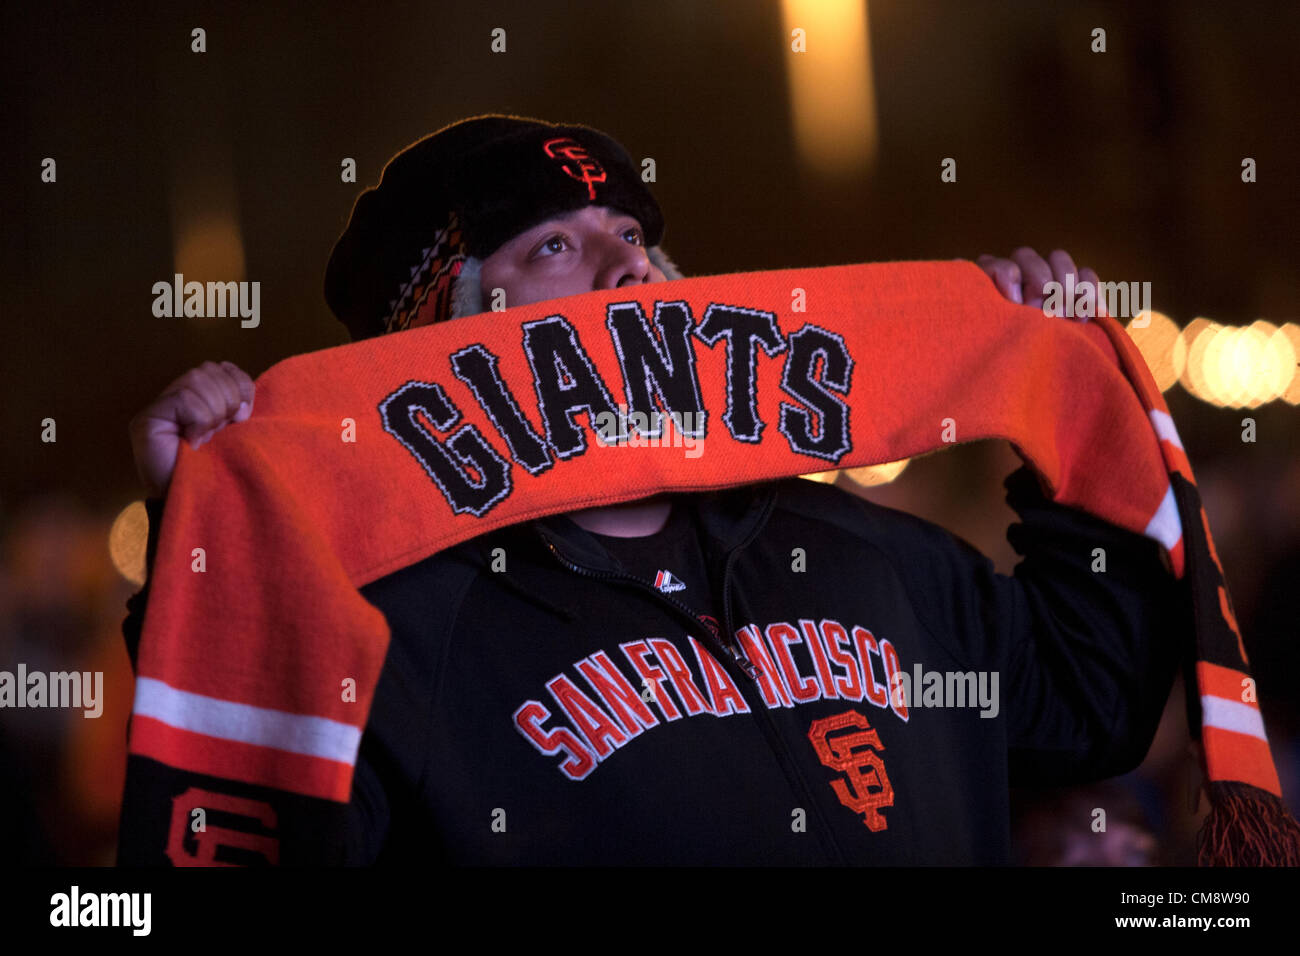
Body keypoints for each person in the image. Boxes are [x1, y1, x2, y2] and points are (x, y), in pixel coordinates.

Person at [119, 114, 1182, 865]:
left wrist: (1064, 414)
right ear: (444, 331)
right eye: (555, 246)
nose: (627, 266)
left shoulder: (852, 541)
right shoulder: (398, 631)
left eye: (635, 236)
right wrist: (206, 537)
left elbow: (1090, 705)